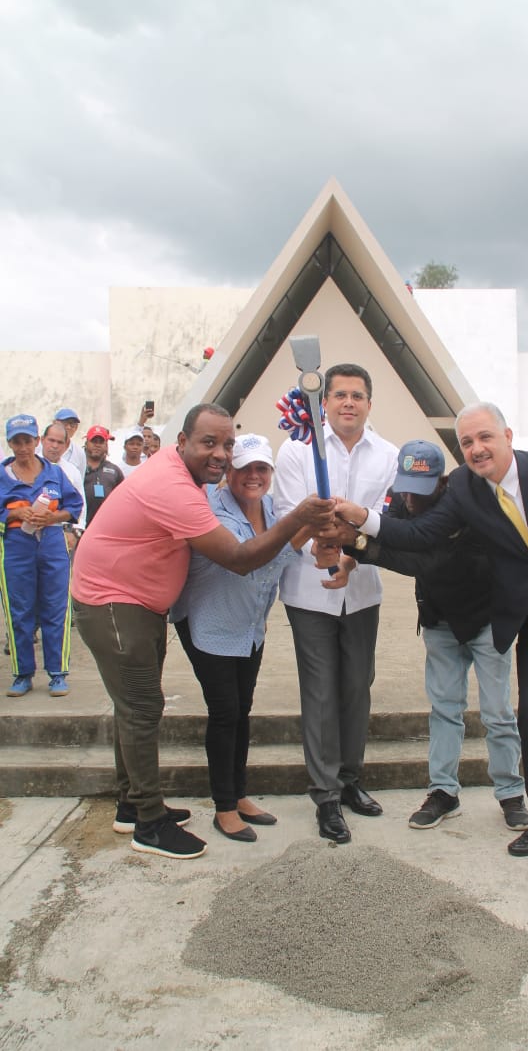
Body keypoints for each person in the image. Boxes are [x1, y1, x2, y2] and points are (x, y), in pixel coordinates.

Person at [333, 402, 528, 859]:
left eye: (485, 437)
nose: (477, 449)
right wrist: (362, 520)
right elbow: (422, 535)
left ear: (507, 434)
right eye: (467, 442)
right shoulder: (464, 487)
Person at [71, 403, 335, 861]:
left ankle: (132, 806)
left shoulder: (192, 483)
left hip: (145, 605)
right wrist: (300, 520)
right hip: (114, 601)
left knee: (136, 705)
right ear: (182, 443)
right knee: (143, 707)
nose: (219, 454)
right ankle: (149, 825)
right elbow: (239, 559)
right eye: (209, 443)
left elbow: (273, 555)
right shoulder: (179, 488)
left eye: (226, 444)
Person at [339, 440, 528, 832]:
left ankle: (510, 792)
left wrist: (357, 541)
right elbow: (391, 537)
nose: (411, 499)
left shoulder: (459, 503)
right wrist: (351, 544)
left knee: (497, 713)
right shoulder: (399, 499)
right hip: (439, 619)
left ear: (440, 483)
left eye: (420, 490)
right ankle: (444, 791)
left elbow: (419, 555)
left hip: (485, 618)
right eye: (406, 487)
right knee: (444, 709)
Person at [273, 364, 398, 844]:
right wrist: (316, 550)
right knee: (321, 691)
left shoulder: (387, 455)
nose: (349, 402)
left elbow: (385, 518)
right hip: (309, 593)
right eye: (340, 394)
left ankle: (350, 779)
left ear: (370, 403)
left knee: (356, 688)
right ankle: (325, 795)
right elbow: (287, 512)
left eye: (358, 395)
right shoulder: (298, 449)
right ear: (322, 402)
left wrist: (351, 555)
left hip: (362, 589)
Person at [172, 434, 296, 843]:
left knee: (242, 709)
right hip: (209, 624)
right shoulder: (211, 508)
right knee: (225, 711)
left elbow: (292, 551)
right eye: (244, 468)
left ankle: (239, 794)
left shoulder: (276, 509)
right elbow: (246, 557)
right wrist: (301, 526)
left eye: (262, 468)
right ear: (229, 471)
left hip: (249, 627)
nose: (253, 476)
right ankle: (223, 806)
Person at [1, 414, 83, 697]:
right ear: (10, 443)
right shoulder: (3, 475)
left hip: (52, 544)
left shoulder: (55, 473)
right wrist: (14, 512)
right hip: (16, 547)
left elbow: (74, 506)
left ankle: (58, 673)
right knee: (19, 611)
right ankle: (22, 673)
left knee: (56, 609)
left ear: (37, 441)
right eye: (16, 442)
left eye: (27, 440)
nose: (23, 447)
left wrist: (51, 517)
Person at [40, 421, 87, 529]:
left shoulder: (72, 471)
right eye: (51, 440)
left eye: (60, 442)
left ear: (66, 445)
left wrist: (76, 532)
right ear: (42, 440)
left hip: (64, 531)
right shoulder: (30, 465)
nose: (55, 446)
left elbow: (81, 505)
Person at [83, 426, 124, 524]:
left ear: (106, 446)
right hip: (77, 528)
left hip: (104, 526)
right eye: (94, 441)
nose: (97, 445)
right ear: (86, 443)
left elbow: (122, 500)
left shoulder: (115, 471)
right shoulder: (76, 466)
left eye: (101, 442)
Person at [54, 407, 86, 480]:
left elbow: (80, 482)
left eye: (72, 424)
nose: (68, 427)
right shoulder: (41, 447)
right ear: (54, 423)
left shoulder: (80, 453)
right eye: (65, 423)